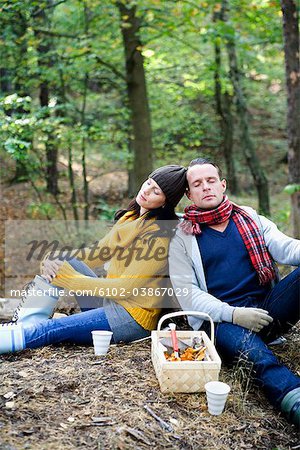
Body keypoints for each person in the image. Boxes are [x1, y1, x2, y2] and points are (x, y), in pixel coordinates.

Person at [169, 157, 300, 427]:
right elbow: (188, 293)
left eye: (211, 180)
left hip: (266, 310)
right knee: (258, 356)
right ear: (189, 194)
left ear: (222, 184)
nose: (206, 187)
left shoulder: (250, 218)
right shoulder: (181, 236)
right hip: (220, 322)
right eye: (197, 184)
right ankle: (294, 398)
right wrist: (233, 313)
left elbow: (285, 248)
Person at [0, 164, 187, 354]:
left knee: (50, 331)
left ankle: (16, 334)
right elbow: (96, 253)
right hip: (109, 303)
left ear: (165, 202)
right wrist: (51, 258)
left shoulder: (159, 238)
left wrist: (71, 280)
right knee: (62, 258)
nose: (146, 190)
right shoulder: (130, 219)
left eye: (156, 191)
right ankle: (24, 323)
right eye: (148, 182)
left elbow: (124, 289)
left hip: (130, 318)